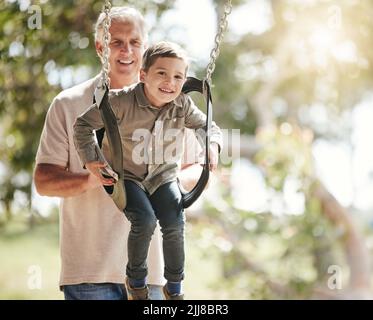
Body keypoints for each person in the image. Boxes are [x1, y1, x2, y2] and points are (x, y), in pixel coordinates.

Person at [33, 7, 202, 300]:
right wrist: (98, 175)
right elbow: (44, 182)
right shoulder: (68, 104)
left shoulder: (170, 101)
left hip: (152, 276)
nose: (126, 51)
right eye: (116, 42)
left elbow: (195, 166)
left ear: (145, 49)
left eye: (135, 42)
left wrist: (166, 183)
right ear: (100, 48)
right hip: (90, 274)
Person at [73, 41, 223, 300]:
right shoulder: (119, 102)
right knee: (144, 220)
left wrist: (211, 146)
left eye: (178, 76)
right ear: (143, 75)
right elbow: (83, 126)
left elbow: (209, 128)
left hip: (163, 175)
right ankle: (136, 280)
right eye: (161, 73)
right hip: (126, 175)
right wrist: (91, 161)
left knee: (175, 222)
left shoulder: (183, 105)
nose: (170, 82)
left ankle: (174, 286)